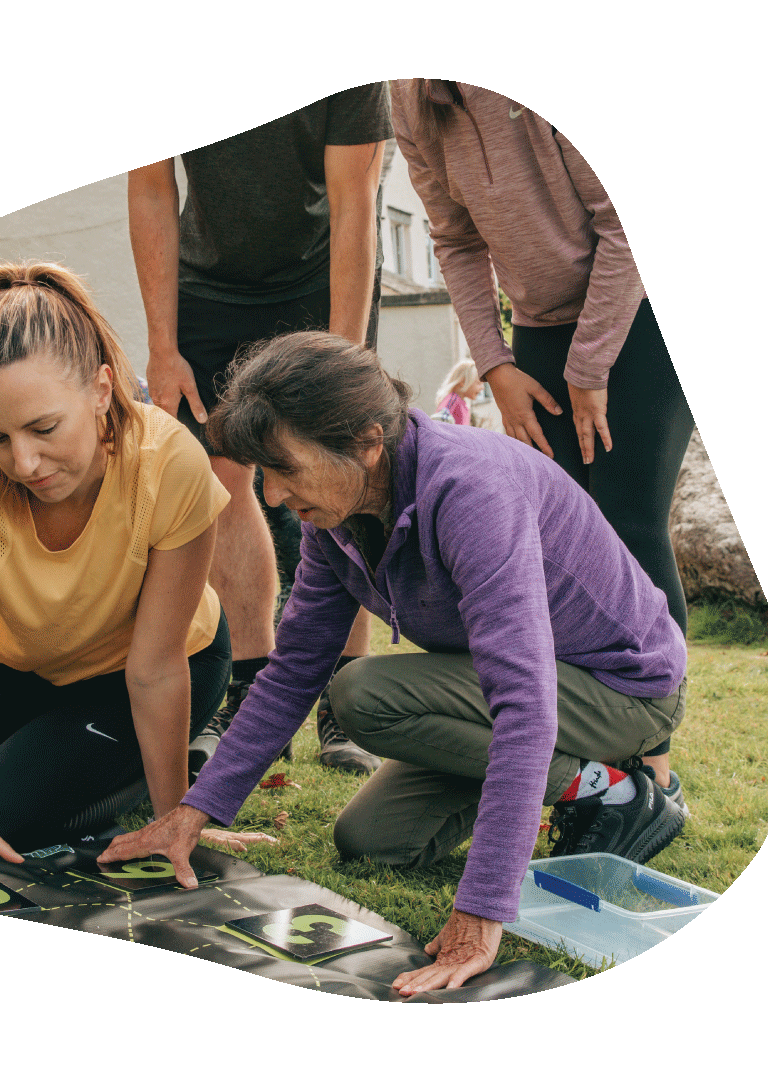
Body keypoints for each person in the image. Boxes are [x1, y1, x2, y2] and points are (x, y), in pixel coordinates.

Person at [97, 331, 687, 994]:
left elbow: (523, 705)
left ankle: (615, 788)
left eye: (285, 468)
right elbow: (292, 671)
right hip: (515, 687)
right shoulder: (335, 521)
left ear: (367, 441)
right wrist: (195, 812)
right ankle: (572, 778)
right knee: (371, 838)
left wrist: (483, 910)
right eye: (263, 473)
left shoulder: (471, 494)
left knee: (365, 693)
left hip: (623, 687)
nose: (270, 495)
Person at [0, 260, 274, 879]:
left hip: (156, 666)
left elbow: (154, 670)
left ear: (102, 390)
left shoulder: (170, 463)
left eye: (44, 428)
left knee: (0, 815)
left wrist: (173, 816)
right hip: (27, 664)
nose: (23, 462)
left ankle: (183, 755)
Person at [390, 80, 695, 812]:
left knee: (628, 521)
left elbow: (618, 227)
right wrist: (496, 365)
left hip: (637, 310)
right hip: (536, 329)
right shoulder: (408, 99)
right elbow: (455, 239)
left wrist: (589, 367)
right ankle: (586, 750)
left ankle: (649, 762)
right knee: (553, 532)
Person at [127, 85, 393, 775]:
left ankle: (344, 696)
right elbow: (152, 191)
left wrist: (342, 355)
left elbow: (354, 204)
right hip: (205, 285)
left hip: (321, 272)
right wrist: (162, 346)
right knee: (214, 478)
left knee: (341, 475)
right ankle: (246, 685)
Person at [431, 358, 483, 425]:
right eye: (478, 383)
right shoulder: (453, 400)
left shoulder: (462, 403)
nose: (482, 388)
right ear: (463, 382)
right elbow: (439, 420)